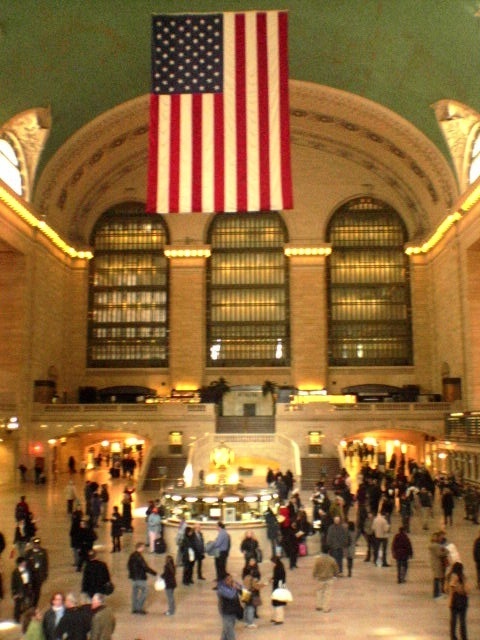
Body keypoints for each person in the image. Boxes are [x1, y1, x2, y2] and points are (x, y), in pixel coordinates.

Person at [127, 541, 157, 614]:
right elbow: (145, 567)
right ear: (140, 548)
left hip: (133, 578)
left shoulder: (132, 555)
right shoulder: (139, 557)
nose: (144, 548)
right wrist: (154, 573)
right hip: (140, 577)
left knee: (135, 593)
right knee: (145, 591)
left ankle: (134, 608)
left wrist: (131, 574)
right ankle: (139, 608)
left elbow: (128, 565)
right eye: (143, 547)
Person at [447, 562, 471, 640]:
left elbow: (449, 590)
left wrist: (450, 601)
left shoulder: (450, 577)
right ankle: (464, 637)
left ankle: (453, 637)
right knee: (462, 621)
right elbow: (467, 591)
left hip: (454, 601)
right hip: (463, 601)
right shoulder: (463, 577)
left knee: (453, 621)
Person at [217, 573, 243, 640]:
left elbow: (244, 591)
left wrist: (239, 587)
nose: (231, 581)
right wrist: (234, 588)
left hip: (234, 611)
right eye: (228, 579)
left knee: (226, 631)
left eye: (231, 579)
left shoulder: (232, 585)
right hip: (226, 612)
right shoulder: (221, 588)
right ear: (224, 581)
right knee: (230, 632)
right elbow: (230, 595)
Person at [25, 537, 49, 606]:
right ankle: (30, 600)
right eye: (35, 544)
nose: (36, 545)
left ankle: (34, 604)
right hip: (31, 574)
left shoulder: (43, 552)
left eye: (38, 544)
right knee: (30, 589)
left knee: (37, 591)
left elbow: (45, 564)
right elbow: (26, 564)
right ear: (33, 544)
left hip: (39, 575)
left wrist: (45, 574)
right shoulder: (29, 553)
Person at [11, 557, 33, 623]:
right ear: (20, 564)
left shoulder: (28, 570)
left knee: (27, 604)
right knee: (18, 606)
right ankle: (16, 618)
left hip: (27, 589)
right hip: (19, 591)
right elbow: (13, 584)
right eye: (23, 562)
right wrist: (14, 593)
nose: (25, 563)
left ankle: (28, 619)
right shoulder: (15, 572)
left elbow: (30, 579)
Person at [429, 531, 449, 599]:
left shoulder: (433, 545)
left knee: (437, 578)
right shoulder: (436, 546)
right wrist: (446, 551)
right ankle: (436, 593)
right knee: (437, 579)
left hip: (435, 563)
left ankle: (437, 593)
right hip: (438, 563)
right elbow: (440, 553)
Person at [242, 563, 262, 628]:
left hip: (245, 593)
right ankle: (250, 622)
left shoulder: (246, 577)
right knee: (251, 608)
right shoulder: (252, 579)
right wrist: (264, 584)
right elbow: (256, 587)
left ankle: (245, 621)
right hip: (251, 594)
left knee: (246, 608)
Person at [270, 555, 286, 625]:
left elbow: (279, 579)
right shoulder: (279, 567)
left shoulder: (278, 568)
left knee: (278, 604)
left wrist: (273, 580)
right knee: (277, 604)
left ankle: (279, 619)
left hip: (279, 588)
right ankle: (276, 617)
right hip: (279, 587)